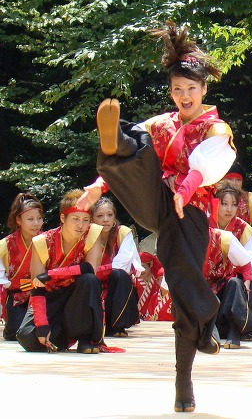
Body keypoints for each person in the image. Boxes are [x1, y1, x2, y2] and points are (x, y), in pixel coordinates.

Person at [78, 21, 236, 412]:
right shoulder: (162, 122)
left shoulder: (215, 128)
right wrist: (100, 185)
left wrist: (183, 191)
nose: (184, 95)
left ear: (204, 90)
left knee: (181, 280)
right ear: (171, 90)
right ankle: (208, 311)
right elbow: (140, 162)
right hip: (155, 199)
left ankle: (184, 380)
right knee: (137, 141)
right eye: (177, 89)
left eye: (191, 89)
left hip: (192, 210)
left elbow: (204, 169)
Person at [17, 190, 105, 353]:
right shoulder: (42, 241)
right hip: (51, 296)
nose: (81, 225)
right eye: (76, 219)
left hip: (78, 294)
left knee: (89, 280)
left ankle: (85, 338)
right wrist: (42, 324)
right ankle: (62, 336)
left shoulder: (92, 234)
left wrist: (51, 274)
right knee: (27, 337)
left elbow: (89, 269)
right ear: (63, 218)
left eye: (86, 220)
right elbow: (37, 287)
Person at [220, 162, 252, 334]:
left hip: (245, 246)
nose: (234, 183)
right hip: (219, 251)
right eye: (230, 179)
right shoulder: (215, 197)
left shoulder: (251, 199)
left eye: (238, 180)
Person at [90, 197, 144, 337]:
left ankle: (118, 326)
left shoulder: (123, 233)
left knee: (119, 275)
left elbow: (121, 264)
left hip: (116, 284)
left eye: (109, 215)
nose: (105, 219)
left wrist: (97, 271)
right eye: (100, 216)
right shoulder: (87, 235)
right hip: (94, 283)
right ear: (92, 219)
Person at [1, 193, 45, 340]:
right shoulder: (5, 245)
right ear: (18, 220)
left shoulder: (48, 240)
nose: (36, 223)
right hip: (17, 296)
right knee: (15, 333)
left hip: (43, 294)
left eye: (39, 218)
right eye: (30, 219)